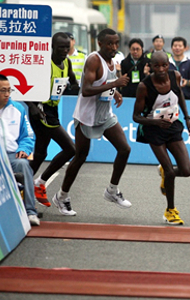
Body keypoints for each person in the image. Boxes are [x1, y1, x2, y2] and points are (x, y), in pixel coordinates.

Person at [52, 28, 132, 216]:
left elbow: (104, 83)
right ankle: (61, 196)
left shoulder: (112, 60)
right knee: (80, 157)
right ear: (100, 44)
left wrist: (116, 92)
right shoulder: (94, 60)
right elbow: (86, 89)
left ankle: (112, 190)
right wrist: (115, 84)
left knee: (125, 149)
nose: (114, 47)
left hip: (105, 116)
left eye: (116, 43)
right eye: (110, 43)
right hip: (86, 116)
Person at [133, 52, 190, 224]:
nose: (161, 69)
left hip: (173, 125)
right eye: (156, 66)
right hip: (153, 129)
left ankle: (165, 175)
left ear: (168, 65)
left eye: (164, 65)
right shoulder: (144, 86)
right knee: (169, 170)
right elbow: (136, 116)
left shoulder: (175, 76)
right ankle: (170, 211)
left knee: (186, 171)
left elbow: (180, 95)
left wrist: (187, 118)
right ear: (151, 67)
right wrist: (156, 122)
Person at [25, 32, 77, 207]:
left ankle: (21, 184)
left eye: (67, 47)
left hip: (53, 108)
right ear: (52, 47)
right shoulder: (44, 64)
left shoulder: (67, 63)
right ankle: (39, 183)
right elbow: (25, 87)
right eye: (61, 47)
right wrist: (32, 107)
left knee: (41, 152)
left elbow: (76, 85)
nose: (64, 50)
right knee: (70, 149)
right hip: (41, 109)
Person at [0, 74, 39, 226]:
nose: (7, 94)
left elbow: (28, 136)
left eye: (9, 90)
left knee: (23, 164)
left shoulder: (18, 108)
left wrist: (24, 149)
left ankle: (30, 212)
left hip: (11, 155)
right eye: (2, 90)